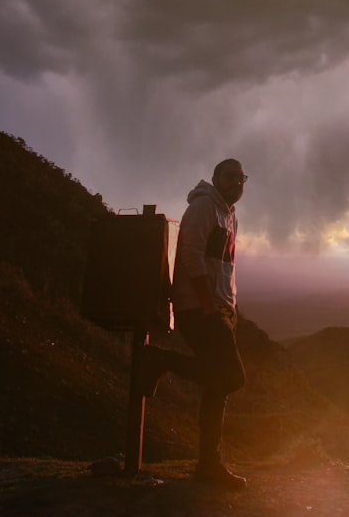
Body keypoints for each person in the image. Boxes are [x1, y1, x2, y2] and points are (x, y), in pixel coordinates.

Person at [139, 158, 248, 489]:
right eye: (230, 177)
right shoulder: (203, 207)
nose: (237, 183)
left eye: (242, 178)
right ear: (216, 178)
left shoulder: (229, 215)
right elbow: (190, 255)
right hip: (199, 308)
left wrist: (230, 307)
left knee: (218, 387)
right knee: (231, 377)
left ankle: (208, 465)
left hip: (219, 309)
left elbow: (224, 267)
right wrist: (206, 305)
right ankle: (161, 360)